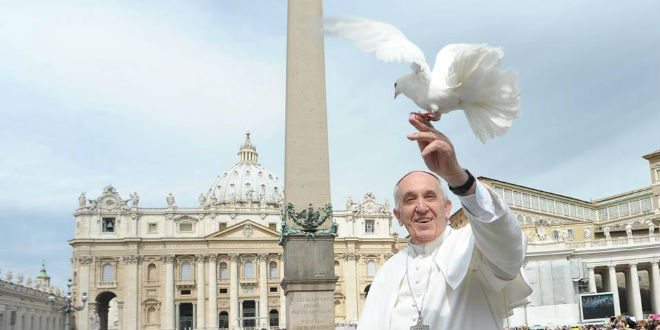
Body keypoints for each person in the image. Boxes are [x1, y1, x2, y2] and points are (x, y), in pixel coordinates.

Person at [357, 114, 532, 330]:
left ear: (447, 209)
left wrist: (458, 177)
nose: (421, 208)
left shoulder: (475, 246)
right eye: (410, 199)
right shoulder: (388, 270)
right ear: (398, 217)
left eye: (430, 196)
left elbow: (508, 246)